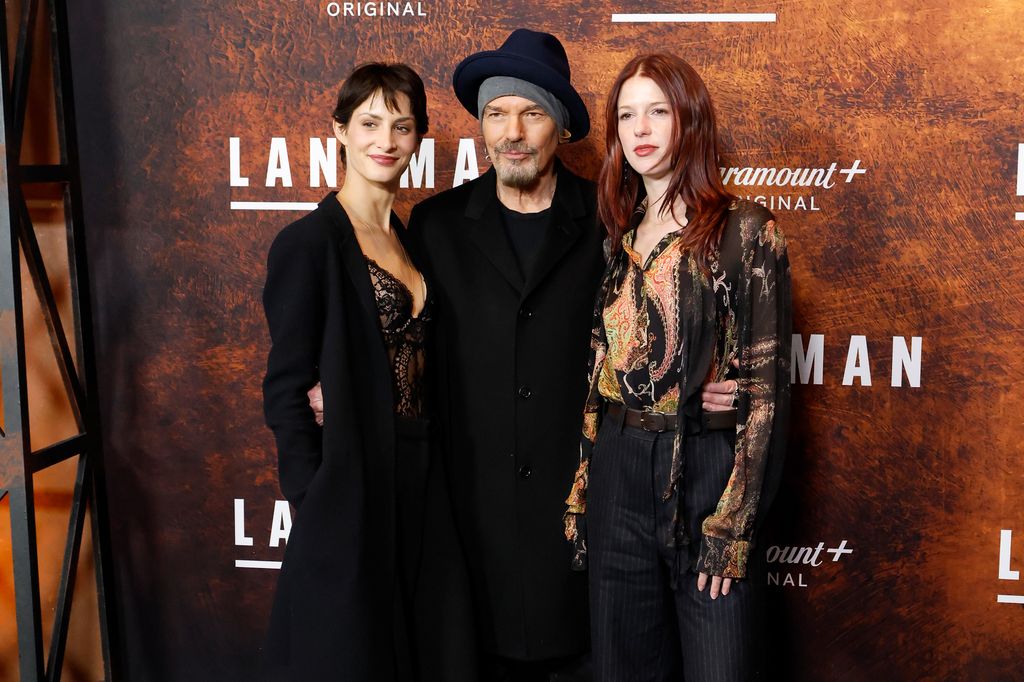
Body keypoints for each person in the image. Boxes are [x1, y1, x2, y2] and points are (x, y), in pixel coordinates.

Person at [563, 53, 792, 682]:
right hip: (619, 468)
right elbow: (597, 369)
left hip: (704, 473)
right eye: (627, 114)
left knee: (722, 665)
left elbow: (767, 392)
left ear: (687, 120)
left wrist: (732, 525)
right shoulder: (616, 231)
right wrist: (585, 488)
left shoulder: (744, 229)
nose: (640, 129)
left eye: (657, 112)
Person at [260, 63, 474, 681]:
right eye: (370, 123)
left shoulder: (410, 239)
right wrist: (315, 498)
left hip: (421, 478)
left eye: (402, 127)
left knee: (431, 650)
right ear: (340, 131)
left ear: (418, 140)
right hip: (350, 487)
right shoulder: (310, 242)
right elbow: (285, 390)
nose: (386, 140)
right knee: (352, 657)